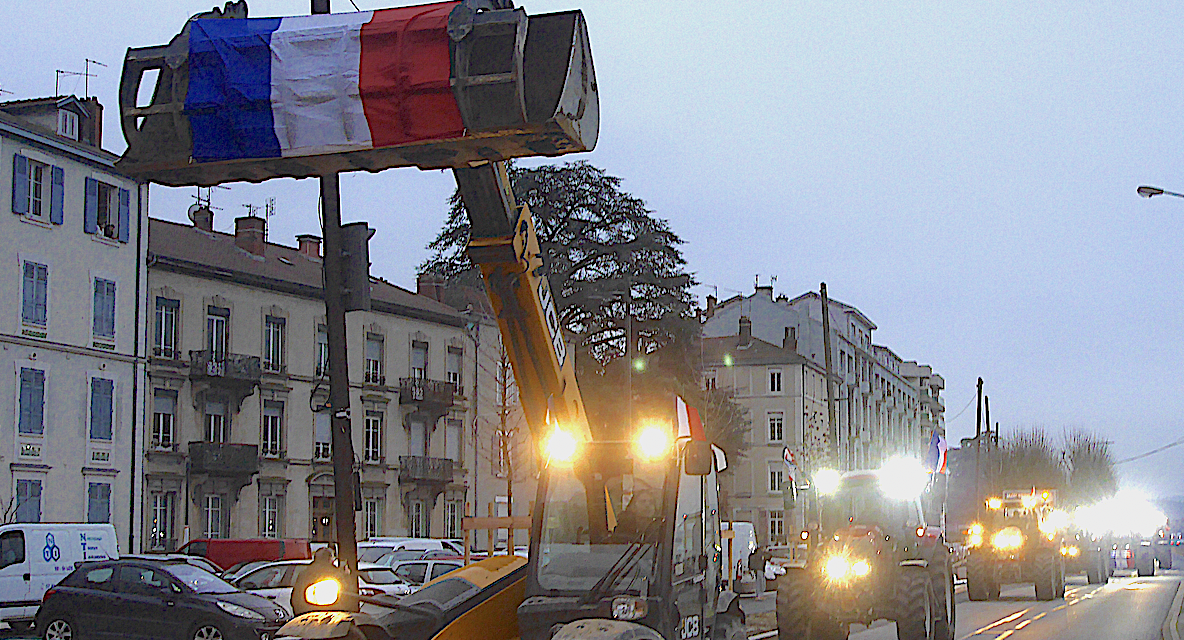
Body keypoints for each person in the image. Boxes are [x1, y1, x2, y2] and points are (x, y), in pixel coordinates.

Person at [291, 548, 356, 616]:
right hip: (332, 615)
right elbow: (347, 596)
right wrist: (347, 575)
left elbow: (295, 598)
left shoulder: (304, 574)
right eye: (333, 557)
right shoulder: (336, 574)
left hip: (307, 615)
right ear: (330, 559)